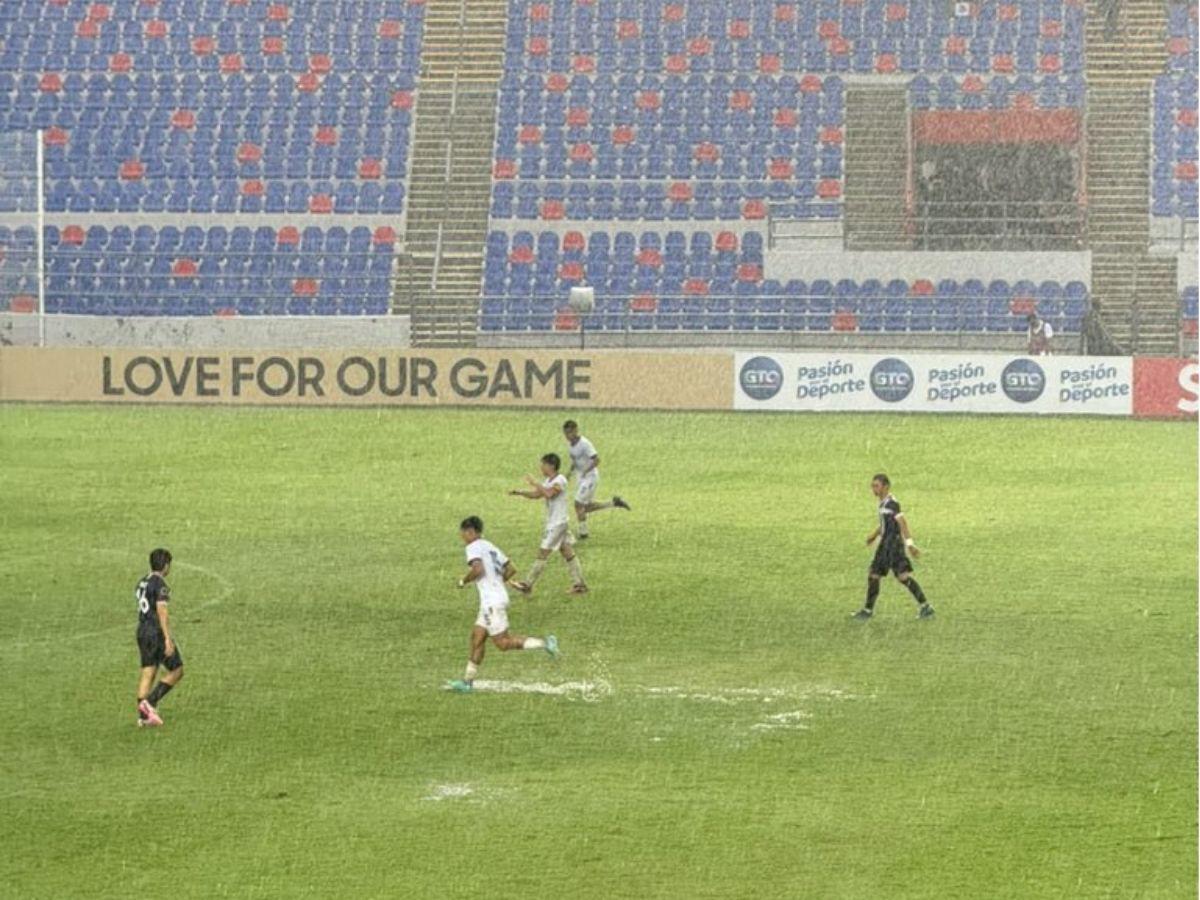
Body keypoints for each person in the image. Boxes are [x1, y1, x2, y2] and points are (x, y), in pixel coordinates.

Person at [447, 516, 558, 694]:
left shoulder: (473, 547)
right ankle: (467, 682)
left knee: (503, 643)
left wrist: (463, 581)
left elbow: (478, 570)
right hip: (492, 600)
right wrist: (501, 582)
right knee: (477, 638)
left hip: (492, 602)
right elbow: (511, 569)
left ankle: (545, 644)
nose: (462, 537)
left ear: (470, 532)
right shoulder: (490, 545)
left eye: (463, 534)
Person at [852, 475, 935, 620]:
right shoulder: (883, 504)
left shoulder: (892, 503)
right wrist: (874, 535)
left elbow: (902, 522)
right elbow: (886, 523)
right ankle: (868, 610)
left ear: (886, 487)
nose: (874, 489)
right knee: (876, 575)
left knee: (897, 576)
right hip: (886, 543)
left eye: (876, 486)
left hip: (892, 545)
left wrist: (910, 544)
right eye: (873, 486)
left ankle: (868, 611)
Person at [510, 453, 589, 595]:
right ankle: (580, 585)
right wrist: (520, 492)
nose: (541, 467)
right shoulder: (548, 480)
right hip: (558, 522)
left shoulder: (560, 480)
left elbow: (549, 494)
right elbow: (537, 495)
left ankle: (527, 584)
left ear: (551, 466)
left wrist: (535, 483)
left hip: (557, 524)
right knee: (567, 552)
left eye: (543, 464)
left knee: (543, 553)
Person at [134, 548, 184, 727]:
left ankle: (143, 716)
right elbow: (162, 611)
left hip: (142, 630)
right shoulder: (160, 584)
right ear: (166, 565)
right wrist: (167, 638)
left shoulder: (142, 582)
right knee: (177, 669)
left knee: (148, 671)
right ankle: (150, 703)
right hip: (155, 632)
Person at [563, 419, 630, 539]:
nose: (567, 436)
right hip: (581, 478)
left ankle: (583, 532)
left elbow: (597, 460)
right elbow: (575, 460)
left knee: (578, 504)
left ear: (576, 431)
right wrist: (569, 473)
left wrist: (585, 471)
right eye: (566, 433)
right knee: (585, 507)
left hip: (590, 478)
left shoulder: (585, 444)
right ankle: (614, 503)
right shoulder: (570, 445)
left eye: (569, 433)